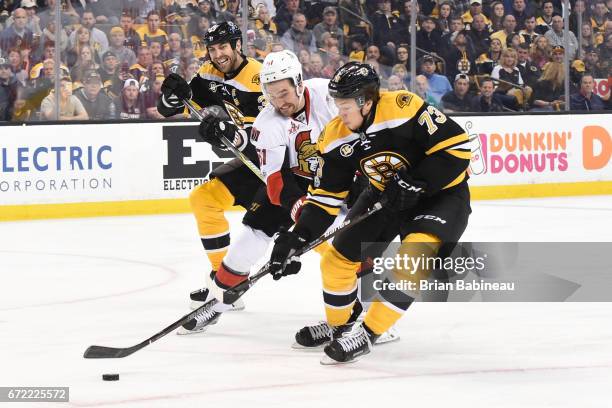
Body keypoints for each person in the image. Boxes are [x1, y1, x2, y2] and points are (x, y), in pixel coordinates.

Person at [267, 62, 471, 364]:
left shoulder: (405, 107)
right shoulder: (334, 136)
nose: (340, 113)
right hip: (385, 195)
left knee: (416, 255)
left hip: (441, 194)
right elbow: (325, 199)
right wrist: (297, 237)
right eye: (337, 105)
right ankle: (341, 327)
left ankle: (368, 333)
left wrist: (419, 182)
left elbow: (457, 149)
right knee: (336, 261)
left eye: (346, 106)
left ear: (367, 101)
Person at [183, 49, 340, 334]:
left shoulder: (327, 95)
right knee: (251, 235)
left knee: (347, 245)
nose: (279, 102)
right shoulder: (267, 123)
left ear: (299, 83)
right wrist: (298, 212)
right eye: (272, 95)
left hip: (340, 178)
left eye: (284, 93)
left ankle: (363, 319)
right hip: (297, 182)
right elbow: (277, 181)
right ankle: (217, 304)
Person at [157, 22, 268, 312]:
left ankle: (377, 304)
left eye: (223, 47)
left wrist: (229, 134)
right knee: (204, 198)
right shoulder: (210, 72)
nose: (217, 54)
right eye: (213, 48)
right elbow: (182, 103)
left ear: (238, 45)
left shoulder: (258, 78)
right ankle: (227, 285)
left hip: (285, 166)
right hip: (254, 165)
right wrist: (171, 97)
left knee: (327, 234)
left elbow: (265, 138)